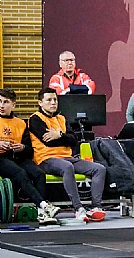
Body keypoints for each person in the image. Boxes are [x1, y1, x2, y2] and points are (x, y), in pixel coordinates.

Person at [28, 87, 107, 222]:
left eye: (55, 99)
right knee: (67, 167)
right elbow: (48, 142)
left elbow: (74, 140)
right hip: (46, 159)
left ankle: (96, 207)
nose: (53, 102)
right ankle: (78, 208)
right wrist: (65, 138)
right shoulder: (35, 119)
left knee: (99, 169)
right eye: (49, 100)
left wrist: (59, 135)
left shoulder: (62, 118)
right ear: (40, 103)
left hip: (67, 157)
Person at [0, 88, 61, 225]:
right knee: (20, 173)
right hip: (1, 158)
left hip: (17, 157)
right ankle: (44, 205)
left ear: (13, 105)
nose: (1, 105)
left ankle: (41, 214)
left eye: (5, 102)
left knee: (39, 173)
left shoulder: (21, 123)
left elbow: (29, 151)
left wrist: (22, 147)